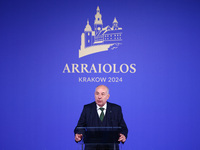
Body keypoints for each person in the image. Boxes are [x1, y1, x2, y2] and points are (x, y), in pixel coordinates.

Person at [74, 85, 128, 150]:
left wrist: (123, 135)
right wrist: (79, 134)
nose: (99, 97)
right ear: (94, 95)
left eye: (103, 94)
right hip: (91, 148)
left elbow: (123, 128)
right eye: (97, 94)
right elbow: (80, 127)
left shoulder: (116, 109)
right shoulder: (87, 108)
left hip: (111, 147)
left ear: (107, 96)